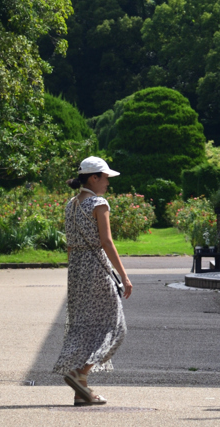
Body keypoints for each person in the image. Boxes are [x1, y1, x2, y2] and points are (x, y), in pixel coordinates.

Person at [52, 156, 132, 406]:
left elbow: (70, 243)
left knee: (83, 325)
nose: (108, 183)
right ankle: (80, 373)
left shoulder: (71, 204)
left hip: (76, 270)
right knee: (114, 326)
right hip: (97, 268)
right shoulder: (99, 203)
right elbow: (106, 242)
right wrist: (124, 276)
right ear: (94, 177)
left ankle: (82, 392)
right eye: (105, 178)